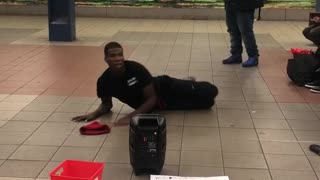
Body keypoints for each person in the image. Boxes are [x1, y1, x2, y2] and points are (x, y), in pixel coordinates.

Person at [72, 42, 219, 124]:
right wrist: (94, 113)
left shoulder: (136, 69)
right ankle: (188, 84)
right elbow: (107, 105)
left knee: (211, 91)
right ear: (106, 59)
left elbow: (151, 98)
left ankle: (186, 82)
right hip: (161, 106)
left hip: (164, 87)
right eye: (113, 56)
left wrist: (130, 117)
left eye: (120, 54)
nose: (118, 58)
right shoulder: (104, 81)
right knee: (207, 104)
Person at [222, 0, 264, 67]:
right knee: (233, 29)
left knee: (245, 30)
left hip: (245, 5)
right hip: (230, 4)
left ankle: (253, 56)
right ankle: (236, 54)